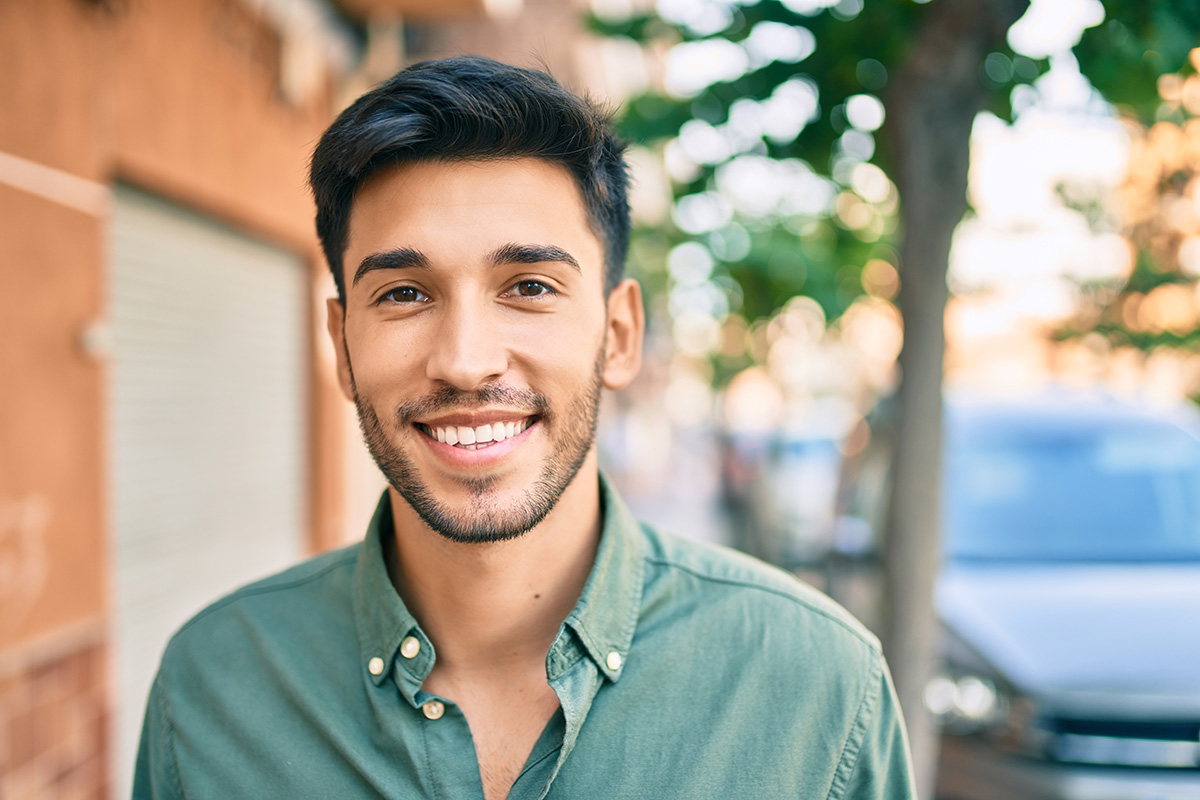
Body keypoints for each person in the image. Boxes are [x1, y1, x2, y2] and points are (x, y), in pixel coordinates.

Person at [133, 56, 915, 800]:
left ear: (617, 335)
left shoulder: (819, 687)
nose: (466, 362)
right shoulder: (212, 686)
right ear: (340, 345)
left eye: (529, 286)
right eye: (404, 294)